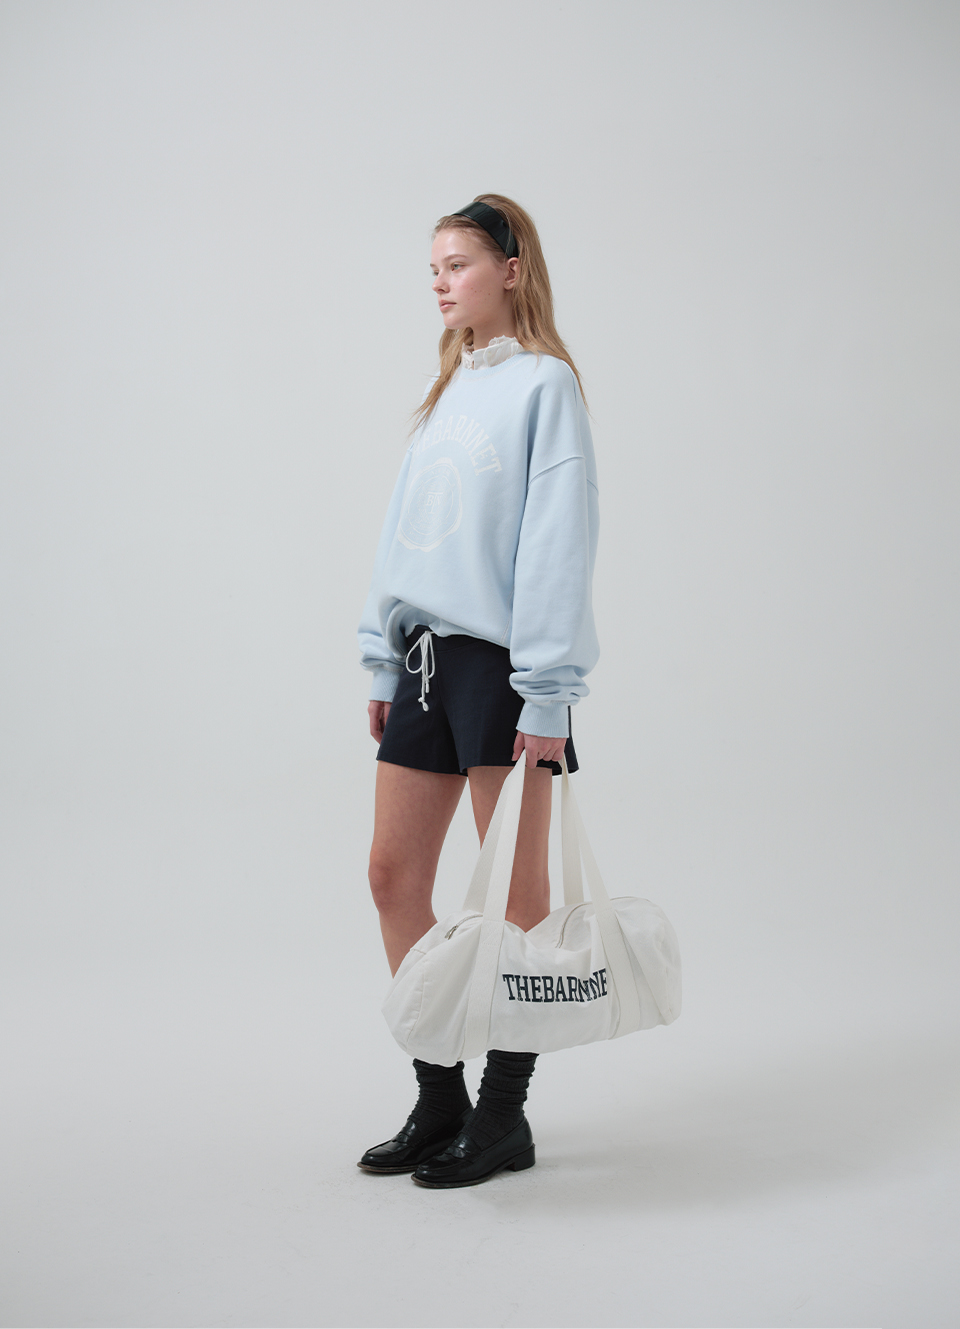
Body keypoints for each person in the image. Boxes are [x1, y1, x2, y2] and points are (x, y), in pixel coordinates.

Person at [356, 194, 599, 1188]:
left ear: (510, 269)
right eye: (433, 270)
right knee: (393, 877)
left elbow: (558, 543)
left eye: (456, 264)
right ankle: (440, 1097)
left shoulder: (546, 386)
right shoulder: (448, 389)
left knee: (516, 904)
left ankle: (504, 1116)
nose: (441, 283)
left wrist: (548, 692)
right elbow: (404, 533)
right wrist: (383, 654)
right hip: (424, 662)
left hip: (504, 668)